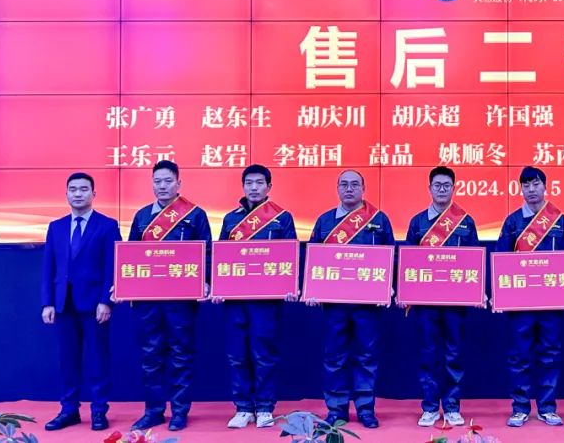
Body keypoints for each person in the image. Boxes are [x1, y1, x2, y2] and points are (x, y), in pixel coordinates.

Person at [128, 160, 212, 432]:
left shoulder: (195, 215)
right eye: (157, 181)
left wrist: (206, 281)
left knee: (180, 354)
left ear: (179, 183)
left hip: (181, 300)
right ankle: (153, 411)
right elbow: (130, 255)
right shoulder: (142, 216)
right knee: (150, 354)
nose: (162, 186)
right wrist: (124, 284)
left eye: (167, 181)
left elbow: (207, 252)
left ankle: (179, 411)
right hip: (148, 301)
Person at [308, 169, 394, 429]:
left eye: (354, 184)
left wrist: (389, 286)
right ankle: (336, 410)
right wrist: (311, 288)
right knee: (334, 356)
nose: (349, 189)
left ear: (363, 189)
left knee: (367, 356)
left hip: (368, 304)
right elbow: (312, 256)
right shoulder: (325, 221)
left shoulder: (379, 219)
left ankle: (366, 409)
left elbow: (391, 255)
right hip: (334, 304)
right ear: (337, 189)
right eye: (344, 184)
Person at [217, 164, 297, 429]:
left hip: (266, 301)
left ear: (269, 187)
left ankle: (264, 407)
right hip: (235, 301)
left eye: (259, 183)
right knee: (237, 354)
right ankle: (243, 408)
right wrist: (217, 286)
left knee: (264, 353)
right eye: (249, 183)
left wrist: (291, 283)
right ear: (243, 186)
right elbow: (220, 258)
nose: (254, 188)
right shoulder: (230, 219)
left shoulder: (282, 218)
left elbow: (292, 255)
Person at [495, 166, 564, 428]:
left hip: (551, 302)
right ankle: (520, 407)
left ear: (545, 186)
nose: (531, 190)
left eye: (536, 184)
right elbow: (501, 259)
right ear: (521, 189)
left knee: (550, 354)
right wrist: (499, 294)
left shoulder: (559, 220)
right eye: (526, 185)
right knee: (519, 355)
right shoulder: (512, 222)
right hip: (521, 304)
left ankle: (547, 407)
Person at [40, 172, 121, 432]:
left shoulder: (107, 225)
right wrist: (47, 303)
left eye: (84, 189)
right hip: (63, 305)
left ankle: (99, 411)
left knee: (98, 360)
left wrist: (107, 301)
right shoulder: (56, 227)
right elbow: (49, 267)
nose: (78, 193)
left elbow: (113, 266)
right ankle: (69, 410)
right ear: (66, 194)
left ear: (93, 194)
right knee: (68, 362)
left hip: (95, 305)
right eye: (73, 189)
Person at [404, 166, 480, 428]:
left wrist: (477, 290)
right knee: (428, 353)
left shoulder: (465, 221)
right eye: (437, 185)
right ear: (429, 188)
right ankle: (429, 407)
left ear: (454, 188)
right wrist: (405, 291)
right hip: (426, 303)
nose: (442, 190)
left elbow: (474, 260)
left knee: (453, 354)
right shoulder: (417, 222)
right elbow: (408, 261)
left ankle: (452, 406)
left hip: (455, 303)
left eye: (447, 185)